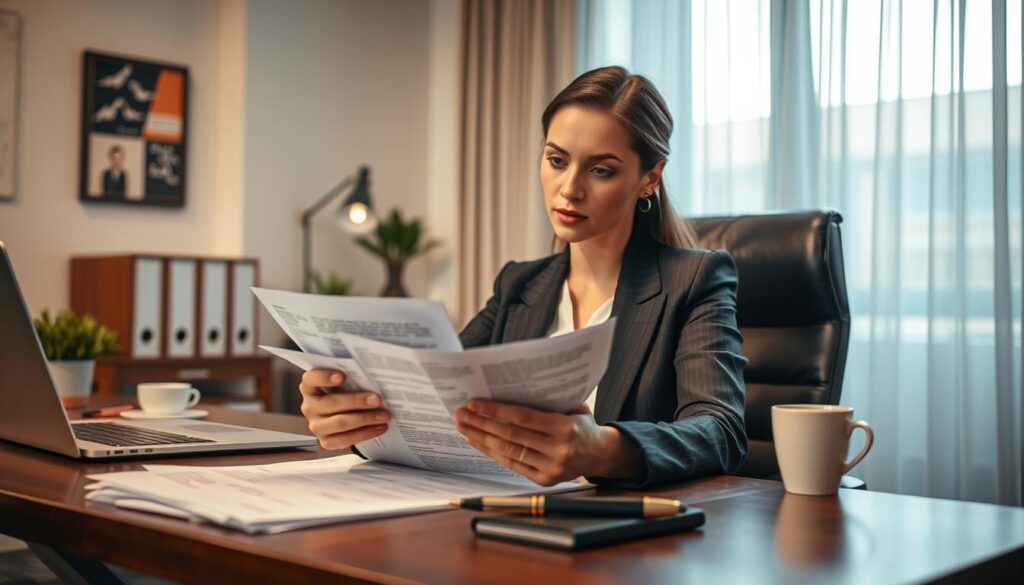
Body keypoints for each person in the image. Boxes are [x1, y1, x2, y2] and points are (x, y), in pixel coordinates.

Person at [298, 66, 748, 488]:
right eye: (557, 160)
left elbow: (721, 431)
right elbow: (433, 406)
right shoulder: (519, 286)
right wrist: (354, 420)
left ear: (650, 177)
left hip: (623, 541)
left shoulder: (695, 279)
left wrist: (602, 449)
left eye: (601, 170)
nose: (569, 188)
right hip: (505, 515)